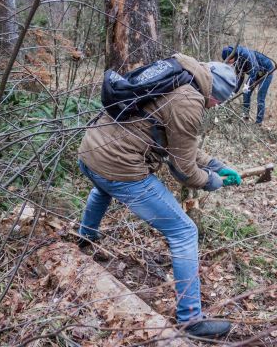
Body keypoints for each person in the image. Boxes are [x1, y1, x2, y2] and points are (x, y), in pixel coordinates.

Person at [77, 53, 242, 339]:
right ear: (214, 95)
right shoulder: (189, 101)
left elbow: (178, 145)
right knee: (184, 232)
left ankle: (84, 239)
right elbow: (183, 168)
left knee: (101, 188)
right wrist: (212, 181)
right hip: (119, 167)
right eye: (217, 102)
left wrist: (216, 165)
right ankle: (191, 322)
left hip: (91, 152)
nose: (213, 106)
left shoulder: (180, 73)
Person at [221, 45, 275, 124]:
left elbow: (254, 70)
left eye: (229, 61)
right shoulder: (237, 61)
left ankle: (258, 122)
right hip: (257, 73)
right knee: (246, 93)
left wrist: (247, 85)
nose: (229, 64)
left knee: (260, 96)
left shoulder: (245, 55)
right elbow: (240, 77)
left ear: (231, 56)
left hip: (266, 71)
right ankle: (245, 117)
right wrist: (233, 92)